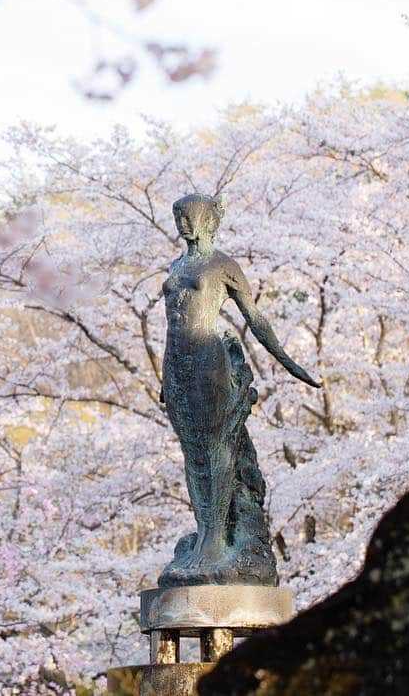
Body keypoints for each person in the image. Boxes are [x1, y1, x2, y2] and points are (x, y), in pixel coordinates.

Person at [159, 193, 321, 586]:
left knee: (216, 445)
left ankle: (216, 538)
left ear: (209, 220)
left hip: (207, 360)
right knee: (191, 451)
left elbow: (255, 316)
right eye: (178, 215)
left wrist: (286, 359)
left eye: (190, 215)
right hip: (176, 361)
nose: (183, 222)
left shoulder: (222, 265)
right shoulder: (178, 265)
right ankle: (203, 536)